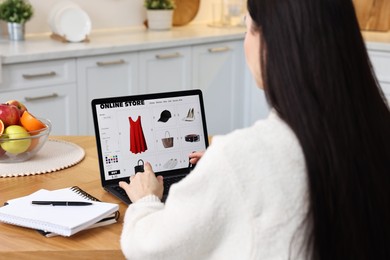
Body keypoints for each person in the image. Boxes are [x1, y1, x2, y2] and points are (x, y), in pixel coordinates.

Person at [119, 0, 390, 259]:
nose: (245, 41)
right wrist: (227, 166)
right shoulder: (375, 127)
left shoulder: (241, 157)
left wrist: (145, 200)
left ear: (273, 44)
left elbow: (149, 247)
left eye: (247, 27)